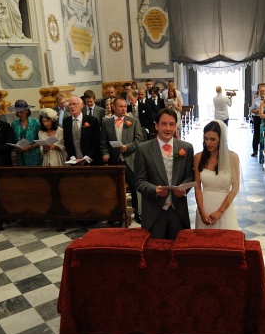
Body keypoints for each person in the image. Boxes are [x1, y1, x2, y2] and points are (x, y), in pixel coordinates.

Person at [134, 107, 195, 239]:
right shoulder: (143, 149)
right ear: (156, 126)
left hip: (178, 211)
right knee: (155, 253)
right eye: (164, 124)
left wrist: (183, 189)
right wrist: (154, 189)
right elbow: (139, 181)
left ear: (176, 126)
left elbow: (190, 175)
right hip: (154, 212)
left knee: (178, 250)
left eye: (172, 124)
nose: (168, 128)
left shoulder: (186, 148)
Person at [101, 96, 145, 221]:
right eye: (120, 106)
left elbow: (139, 140)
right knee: (115, 189)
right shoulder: (106, 122)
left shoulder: (133, 121)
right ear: (113, 107)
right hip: (115, 160)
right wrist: (105, 154)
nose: (123, 109)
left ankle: (138, 212)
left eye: (125, 106)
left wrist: (128, 147)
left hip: (130, 159)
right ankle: (116, 213)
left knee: (135, 187)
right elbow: (103, 142)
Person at [194, 120, 239, 229]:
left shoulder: (232, 157)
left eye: (213, 139)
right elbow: (197, 187)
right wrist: (201, 211)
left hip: (225, 207)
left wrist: (220, 211)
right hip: (204, 207)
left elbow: (235, 188)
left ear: (221, 139)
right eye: (206, 138)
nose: (208, 143)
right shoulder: (198, 157)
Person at [64, 95, 101, 164]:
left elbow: (96, 142)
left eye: (74, 104)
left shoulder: (92, 121)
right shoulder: (66, 121)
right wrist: (73, 158)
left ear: (82, 105)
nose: (72, 106)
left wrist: (86, 158)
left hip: (91, 161)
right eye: (70, 104)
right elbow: (67, 142)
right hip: (74, 161)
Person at [9, 100, 41, 166]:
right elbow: (13, 139)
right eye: (18, 112)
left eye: (21, 112)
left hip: (33, 155)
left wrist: (30, 146)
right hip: (20, 156)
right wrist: (16, 147)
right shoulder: (14, 124)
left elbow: (40, 140)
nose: (19, 114)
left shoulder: (35, 123)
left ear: (27, 111)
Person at [249, 83, 265, 158]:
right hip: (257, 118)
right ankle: (255, 150)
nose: (262, 92)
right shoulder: (256, 99)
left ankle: (264, 150)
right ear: (258, 91)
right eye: (261, 90)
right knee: (256, 134)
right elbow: (252, 110)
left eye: (263, 90)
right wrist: (260, 111)